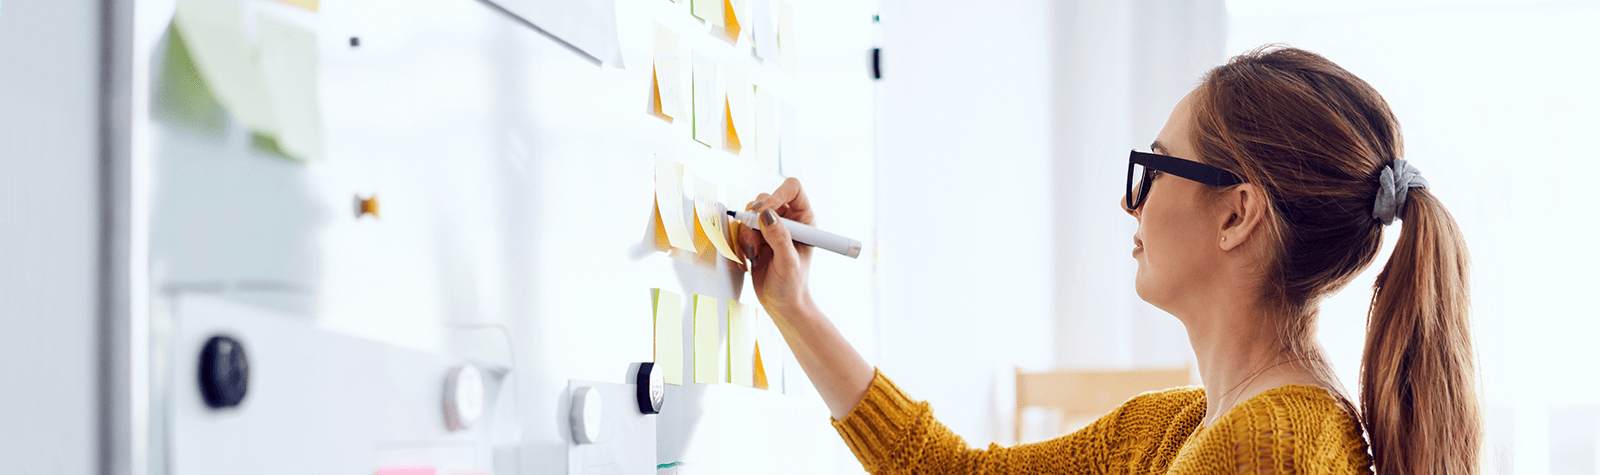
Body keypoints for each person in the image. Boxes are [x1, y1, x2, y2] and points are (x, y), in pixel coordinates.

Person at [736, 45, 1480, 475]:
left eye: (1156, 167)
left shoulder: (1264, 449)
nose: (1132, 202)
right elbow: (951, 471)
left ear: (1236, 212)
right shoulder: (1183, 427)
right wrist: (796, 308)